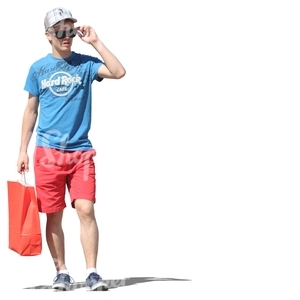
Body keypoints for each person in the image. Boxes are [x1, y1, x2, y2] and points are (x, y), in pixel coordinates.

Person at [16, 7, 126, 291]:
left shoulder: (86, 65)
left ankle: (92, 272)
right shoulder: (38, 69)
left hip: (80, 153)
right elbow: (31, 111)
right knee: (54, 214)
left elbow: (118, 71)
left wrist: (96, 42)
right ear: (48, 35)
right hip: (48, 154)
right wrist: (22, 150)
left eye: (70, 30)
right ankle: (62, 271)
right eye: (60, 31)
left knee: (86, 209)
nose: (67, 36)